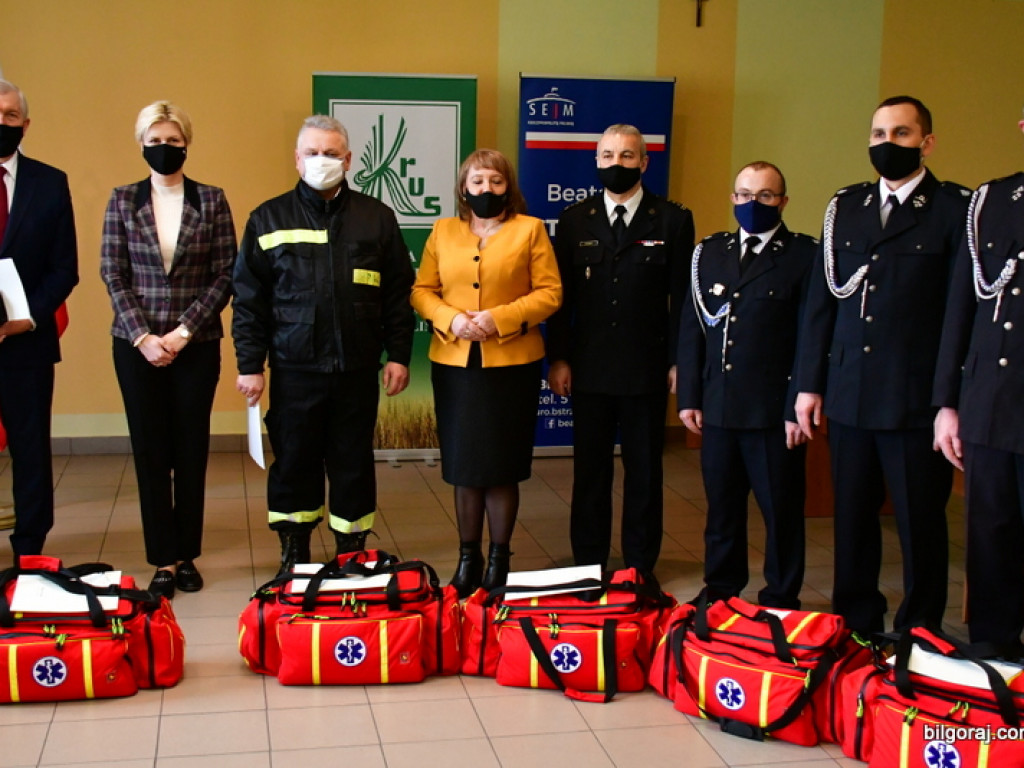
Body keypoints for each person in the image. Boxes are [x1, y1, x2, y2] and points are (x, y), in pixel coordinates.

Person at [795, 96, 970, 636]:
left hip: (915, 397)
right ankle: (857, 622)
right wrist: (809, 384)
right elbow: (822, 303)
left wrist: (949, 399)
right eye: (878, 134)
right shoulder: (846, 206)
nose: (886, 143)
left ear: (926, 142)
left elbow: (960, 313)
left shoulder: (954, 209)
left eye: (900, 133)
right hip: (850, 390)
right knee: (852, 519)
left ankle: (921, 628)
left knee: (920, 523)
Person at [233, 115, 414, 575]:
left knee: (353, 462)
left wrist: (398, 355)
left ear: (348, 160)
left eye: (331, 153)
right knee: (295, 461)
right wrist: (250, 364)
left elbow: (398, 294)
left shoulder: (376, 218)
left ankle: (352, 552)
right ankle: (295, 551)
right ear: (297, 159)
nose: (321, 161)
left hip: (357, 368)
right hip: (294, 369)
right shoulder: (268, 218)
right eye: (312, 153)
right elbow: (249, 301)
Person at [100, 101, 236, 598]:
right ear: (141, 145)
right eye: (155, 141)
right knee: (150, 452)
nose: (164, 148)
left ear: (186, 144)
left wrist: (182, 333)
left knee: (191, 450)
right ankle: (163, 559)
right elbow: (112, 272)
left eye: (173, 141)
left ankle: (189, 554)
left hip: (195, 346)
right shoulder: (122, 200)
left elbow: (226, 273)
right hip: (135, 347)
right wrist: (144, 337)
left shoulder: (212, 200)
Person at [411, 149, 561, 597]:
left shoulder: (530, 230)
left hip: (511, 365)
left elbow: (550, 293)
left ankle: (499, 558)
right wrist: (451, 319)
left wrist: (500, 318)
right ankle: (467, 558)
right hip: (455, 365)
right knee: (464, 466)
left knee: (501, 465)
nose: (486, 189)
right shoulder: (443, 231)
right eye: (477, 181)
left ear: (508, 186)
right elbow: (422, 291)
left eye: (495, 181)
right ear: (464, 187)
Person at [546, 123, 694, 576]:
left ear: (644, 162)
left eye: (627, 155)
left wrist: (678, 360)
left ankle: (639, 565)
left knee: (644, 471)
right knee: (590, 472)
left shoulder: (671, 219)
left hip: (646, 367)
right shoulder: (575, 220)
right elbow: (561, 299)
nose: (617, 163)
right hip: (588, 367)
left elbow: (682, 300)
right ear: (596, 161)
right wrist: (559, 357)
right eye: (608, 155)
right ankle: (588, 562)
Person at [678, 161, 814, 609]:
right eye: (744, 195)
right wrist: (690, 396)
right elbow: (693, 327)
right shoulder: (710, 253)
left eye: (765, 195)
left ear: (783, 201)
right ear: (733, 198)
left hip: (774, 412)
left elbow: (810, 337)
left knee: (781, 512)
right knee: (722, 510)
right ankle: (721, 589)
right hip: (719, 405)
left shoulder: (803, 256)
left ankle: (781, 596)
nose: (753, 203)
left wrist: (797, 407)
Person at [933, 109, 1024, 649]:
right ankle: (993, 654)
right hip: (990, 401)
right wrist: (948, 403)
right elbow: (961, 308)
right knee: (991, 538)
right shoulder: (992, 200)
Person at [0, 79, 78, 557]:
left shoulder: (50, 183)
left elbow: (64, 268)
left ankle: (29, 553)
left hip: (26, 343)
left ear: (25, 125)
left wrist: (24, 318)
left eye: (10, 115)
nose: (1, 122)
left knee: (30, 452)